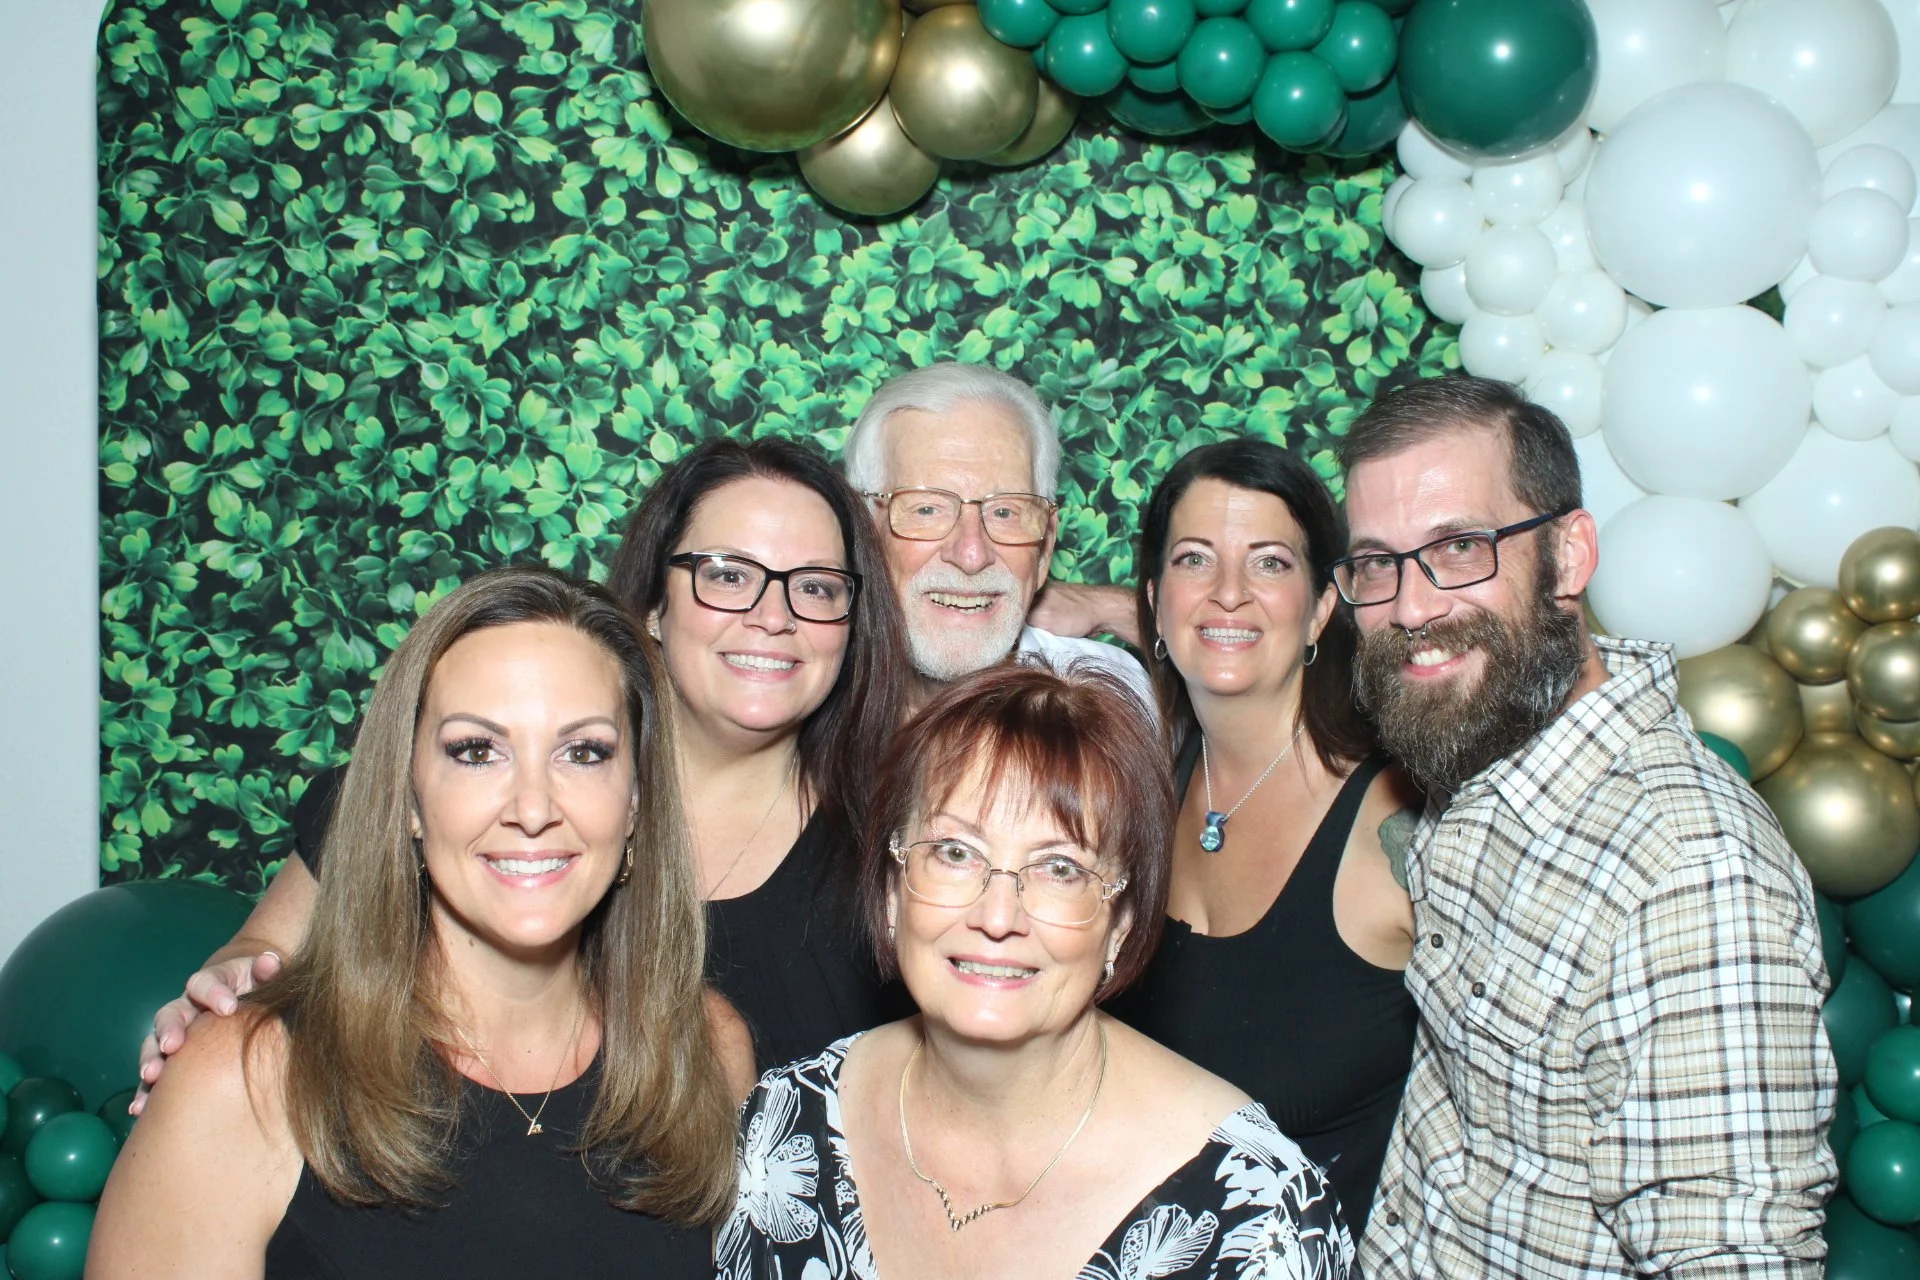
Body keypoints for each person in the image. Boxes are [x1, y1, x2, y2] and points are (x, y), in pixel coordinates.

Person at [135, 438, 909, 1103]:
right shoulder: (445, 798)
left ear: (851, 621)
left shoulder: (897, 847)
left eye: (815, 587)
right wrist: (221, 996)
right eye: (729, 574)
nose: (773, 616)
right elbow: (258, 958)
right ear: (652, 607)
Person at [90, 567, 737, 1276]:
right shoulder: (249, 1078)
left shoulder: (703, 1050)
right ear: (407, 798)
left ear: (637, 803)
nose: (531, 807)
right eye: (475, 750)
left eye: (584, 752)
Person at [1334, 376, 1835, 1278]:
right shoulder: (1483, 754)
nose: (1409, 607)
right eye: (1377, 563)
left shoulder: (1689, 874)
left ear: (1568, 557)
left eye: (1459, 547)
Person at [718, 663, 1354, 1280]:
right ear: (892, 893)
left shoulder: (1257, 1219)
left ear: (1123, 921)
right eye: (954, 852)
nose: (998, 916)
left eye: (1060, 869)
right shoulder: (787, 1126)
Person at [1101, 438, 1419, 1236]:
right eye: (1195, 560)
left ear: (1319, 608)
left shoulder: (1396, 821)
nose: (1230, 593)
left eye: (1271, 563)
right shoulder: (1136, 793)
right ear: (1155, 601)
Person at [842, 362, 1152, 709]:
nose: (971, 554)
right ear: (862, 530)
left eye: (1005, 512)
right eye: (927, 509)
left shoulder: (1111, 698)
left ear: (1046, 546)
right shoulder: (802, 694)